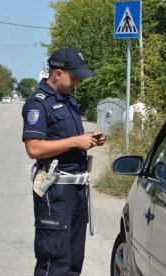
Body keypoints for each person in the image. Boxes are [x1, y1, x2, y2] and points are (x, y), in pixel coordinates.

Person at [21, 48, 105, 276]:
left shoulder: (69, 101)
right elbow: (34, 148)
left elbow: (68, 139)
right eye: (74, 77)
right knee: (54, 263)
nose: (77, 82)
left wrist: (90, 140)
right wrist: (76, 141)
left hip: (77, 190)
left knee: (72, 263)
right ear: (58, 73)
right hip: (55, 191)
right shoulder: (38, 104)